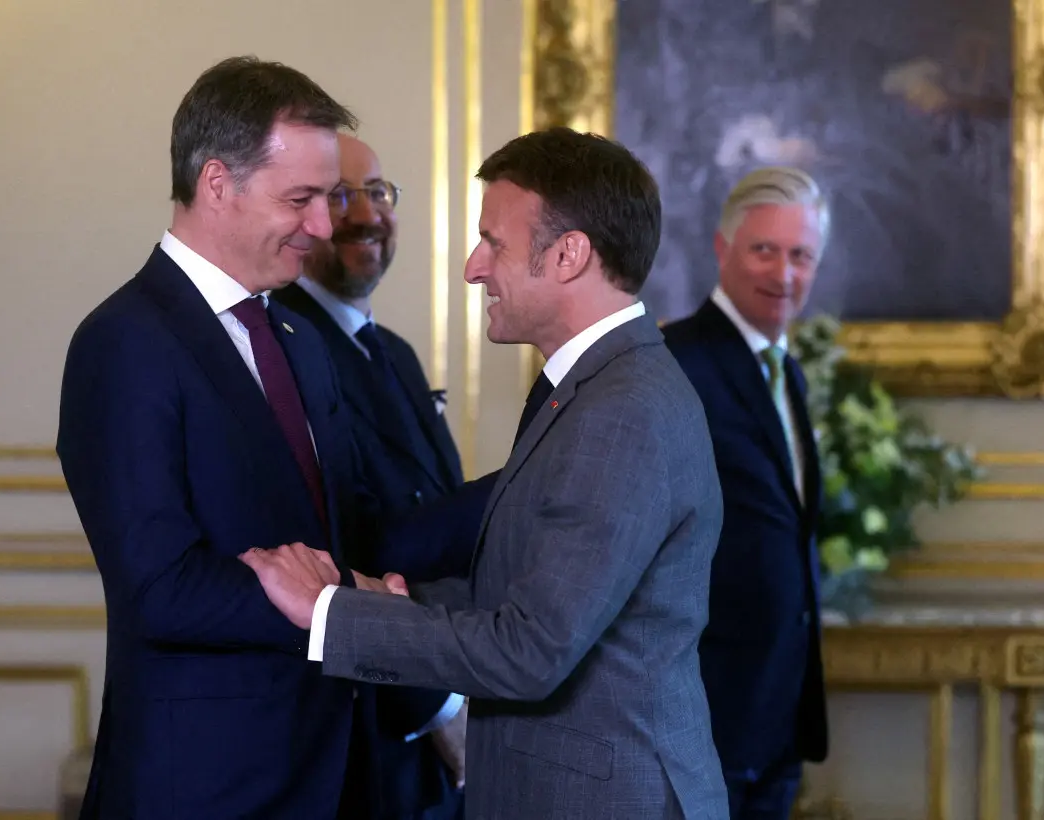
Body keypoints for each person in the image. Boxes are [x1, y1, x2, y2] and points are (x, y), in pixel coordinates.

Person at [240, 127, 731, 820]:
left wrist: (330, 614)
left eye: (493, 243)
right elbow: (533, 585)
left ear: (568, 255)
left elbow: (530, 650)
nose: (474, 267)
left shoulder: (622, 411)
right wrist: (381, 594)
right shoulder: (593, 389)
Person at [56, 56, 454, 819]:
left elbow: (363, 532)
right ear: (216, 183)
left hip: (338, 774)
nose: (323, 225)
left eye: (328, 197)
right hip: (204, 787)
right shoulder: (123, 342)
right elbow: (160, 591)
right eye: (301, 198)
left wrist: (535, 474)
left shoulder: (302, 340)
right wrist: (344, 601)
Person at [273, 133, 467, 819]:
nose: (366, 215)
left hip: (436, 716)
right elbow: (346, 546)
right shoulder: (284, 352)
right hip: (368, 735)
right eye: (341, 196)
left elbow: (438, 532)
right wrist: (439, 704)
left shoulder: (397, 355)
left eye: (378, 192)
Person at [661, 166, 830, 820]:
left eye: (801, 255)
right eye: (765, 250)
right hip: (704, 712)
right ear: (722, 248)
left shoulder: (786, 371)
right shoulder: (678, 361)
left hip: (778, 714)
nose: (784, 273)